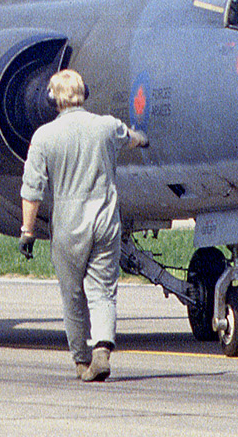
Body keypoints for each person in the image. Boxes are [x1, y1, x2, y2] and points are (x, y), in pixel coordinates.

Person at [18, 69, 148, 382]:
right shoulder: (106, 126)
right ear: (84, 93)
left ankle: (81, 360)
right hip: (106, 220)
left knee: (72, 294)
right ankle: (103, 346)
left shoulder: (44, 137)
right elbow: (132, 138)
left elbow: (32, 189)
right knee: (103, 290)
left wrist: (27, 231)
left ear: (52, 99)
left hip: (68, 226)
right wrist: (143, 137)